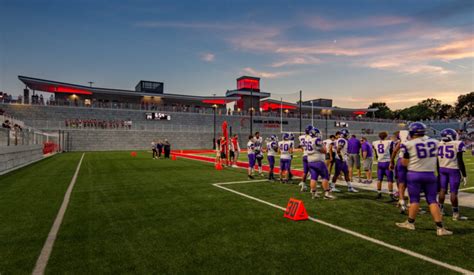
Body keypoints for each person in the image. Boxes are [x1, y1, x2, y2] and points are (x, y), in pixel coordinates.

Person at [396, 122, 452, 236]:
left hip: (414, 174)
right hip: (430, 174)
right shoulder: (435, 142)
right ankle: (440, 228)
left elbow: (404, 163)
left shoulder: (408, 144)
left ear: (412, 132)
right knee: (432, 200)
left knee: (414, 200)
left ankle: (410, 223)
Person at [438, 128, 468, 220]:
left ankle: (440, 210)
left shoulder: (439, 144)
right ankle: (455, 214)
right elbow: (460, 161)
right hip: (453, 170)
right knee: (453, 192)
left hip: (442, 169)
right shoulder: (457, 144)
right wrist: (464, 174)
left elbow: (436, 160)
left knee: (442, 190)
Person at [306, 127, 334, 199]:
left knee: (313, 177)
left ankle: (313, 193)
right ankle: (327, 193)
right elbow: (324, 150)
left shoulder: (308, 140)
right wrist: (324, 147)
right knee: (325, 176)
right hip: (318, 161)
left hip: (310, 161)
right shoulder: (317, 140)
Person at [330, 129, 358, 193]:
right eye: (347, 134)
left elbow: (339, 149)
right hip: (340, 160)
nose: (348, 135)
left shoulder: (341, 140)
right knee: (337, 174)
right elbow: (338, 150)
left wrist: (345, 154)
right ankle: (332, 187)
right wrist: (341, 157)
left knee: (346, 173)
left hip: (342, 159)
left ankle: (350, 187)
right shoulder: (342, 140)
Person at [372, 132, 396, 200]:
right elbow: (392, 151)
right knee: (390, 180)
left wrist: (377, 155)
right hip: (387, 162)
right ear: (386, 136)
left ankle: (379, 193)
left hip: (380, 162)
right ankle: (391, 195)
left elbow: (374, 149)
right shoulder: (389, 142)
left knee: (379, 179)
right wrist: (392, 162)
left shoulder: (375, 142)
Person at [390, 131, 409, 214]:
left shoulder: (402, 142)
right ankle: (410, 204)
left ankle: (401, 203)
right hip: (412, 162)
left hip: (401, 161)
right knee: (412, 184)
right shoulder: (415, 141)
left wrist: (391, 162)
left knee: (401, 184)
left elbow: (394, 151)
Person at [298, 125, 313, 192]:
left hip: (304, 155)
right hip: (310, 155)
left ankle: (303, 185)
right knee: (313, 172)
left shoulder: (302, 137)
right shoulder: (311, 137)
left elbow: (300, 146)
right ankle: (313, 187)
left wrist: (304, 150)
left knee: (305, 172)